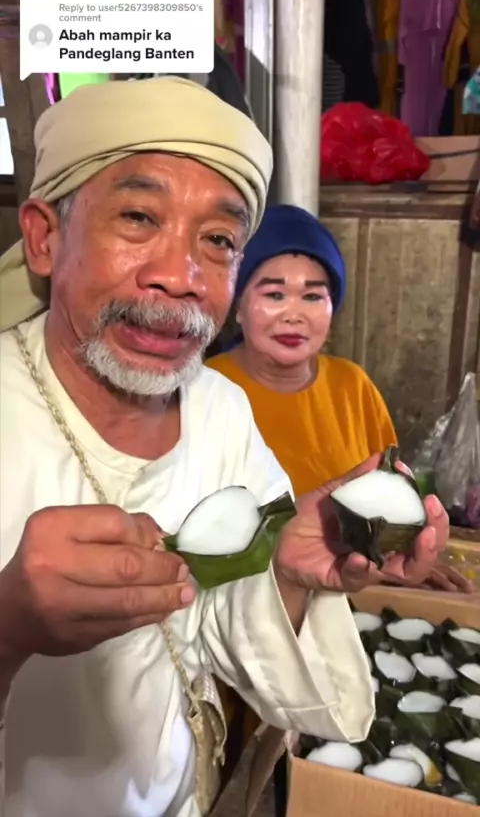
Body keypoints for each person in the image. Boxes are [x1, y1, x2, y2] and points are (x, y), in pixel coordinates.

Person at [0, 79, 448, 817]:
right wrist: (8, 627)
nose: (180, 278)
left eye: (218, 241)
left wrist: (288, 576)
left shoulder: (220, 408)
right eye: (138, 217)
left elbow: (223, 633)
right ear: (46, 238)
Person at [207, 203, 471, 760]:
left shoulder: (353, 387)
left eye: (314, 295)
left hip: (347, 615)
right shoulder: (207, 392)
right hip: (242, 636)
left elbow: (387, 494)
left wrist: (405, 560)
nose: (294, 314)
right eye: (273, 293)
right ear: (238, 305)